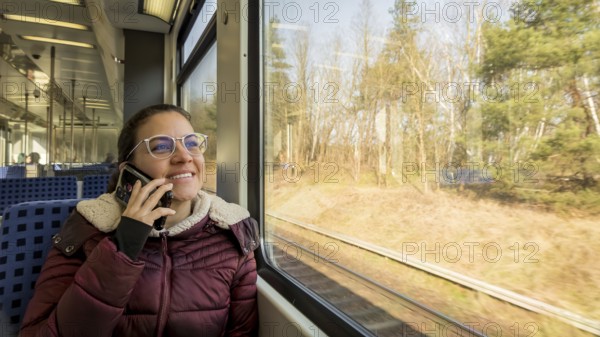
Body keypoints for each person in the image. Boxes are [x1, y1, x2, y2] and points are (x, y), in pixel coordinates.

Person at [20, 104, 260, 337]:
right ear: (129, 170)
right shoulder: (87, 230)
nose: (185, 156)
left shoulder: (233, 233)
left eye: (192, 144)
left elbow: (241, 331)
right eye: (162, 147)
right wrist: (123, 249)